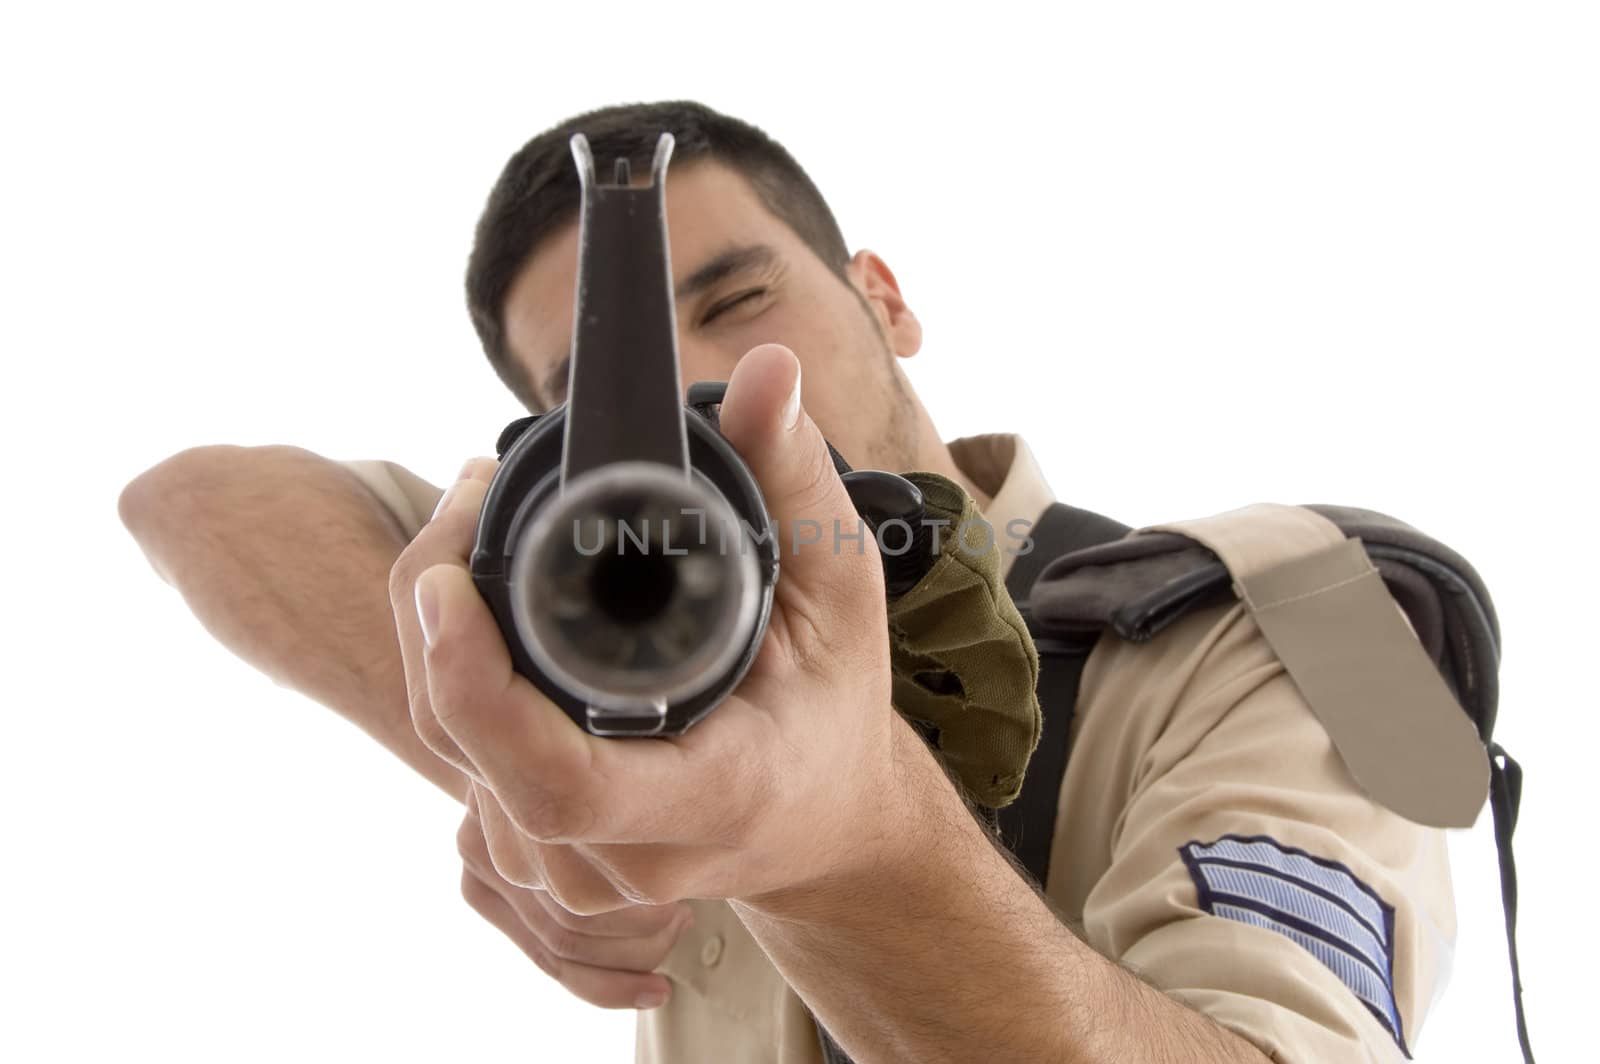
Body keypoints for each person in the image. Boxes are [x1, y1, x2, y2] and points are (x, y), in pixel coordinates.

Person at [119, 100, 1456, 1063]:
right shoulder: (591, 630)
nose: (685, 383)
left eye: (736, 299)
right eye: (592, 388)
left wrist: (849, 845)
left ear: (883, 296)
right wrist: (504, 744)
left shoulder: (1301, 608)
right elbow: (193, 500)